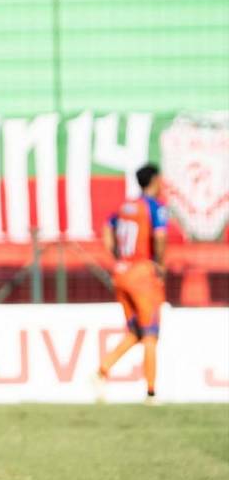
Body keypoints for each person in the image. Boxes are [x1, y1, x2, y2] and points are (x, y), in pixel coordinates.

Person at [96, 163, 168, 403]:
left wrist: (116, 256)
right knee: (150, 334)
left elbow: (107, 226)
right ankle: (151, 392)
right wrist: (158, 263)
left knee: (135, 331)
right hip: (141, 273)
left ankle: (102, 370)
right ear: (154, 180)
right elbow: (159, 236)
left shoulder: (126, 206)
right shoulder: (154, 208)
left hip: (121, 272)